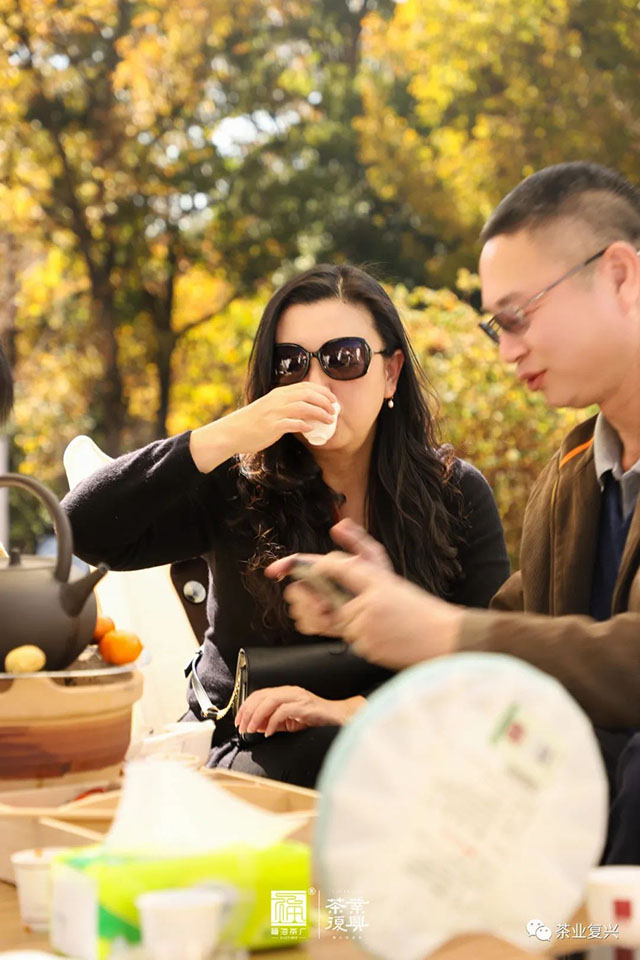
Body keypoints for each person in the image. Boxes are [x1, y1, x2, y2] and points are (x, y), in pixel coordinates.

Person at [271, 163, 640, 856]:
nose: (505, 351)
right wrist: (376, 621)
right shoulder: (571, 475)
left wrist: (440, 630)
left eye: (518, 316)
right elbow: (508, 648)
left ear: (620, 276)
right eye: (495, 325)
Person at [62, 263, 509, 787]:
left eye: (343, 359)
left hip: (396, 742)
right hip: (248, 744)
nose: (315, 383)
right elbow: (82, 530)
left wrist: (351, 710)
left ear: (390, 373)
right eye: (290, 364)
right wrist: (226, 433)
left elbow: (488, 662)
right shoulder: (237, 481)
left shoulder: (456, 492)